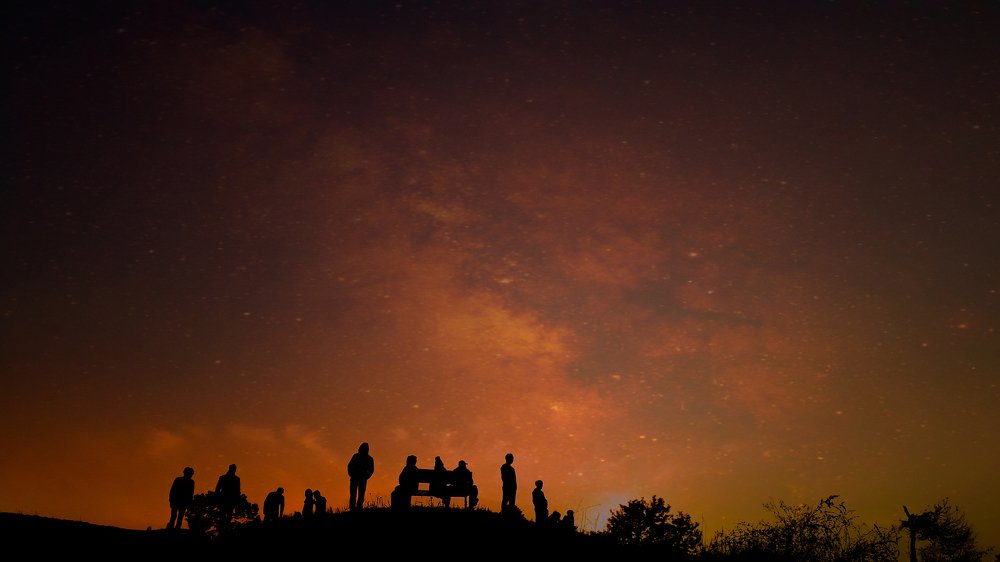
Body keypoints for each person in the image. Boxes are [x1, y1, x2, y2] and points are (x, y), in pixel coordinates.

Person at [347, 442, 375, 511]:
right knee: (353, 495)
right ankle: (352, 508)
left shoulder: (369, 459)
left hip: (362, 479)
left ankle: (359, 508)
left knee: (361, 495)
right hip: (354, 478)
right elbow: (349, 465)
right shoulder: (355, 456)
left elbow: (371, 470)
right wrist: (351, 474)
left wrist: (366, 476)